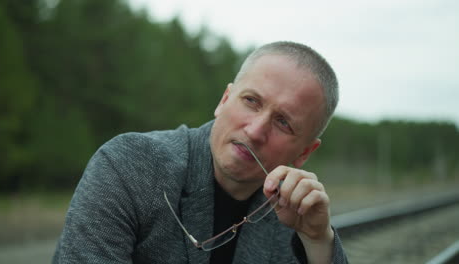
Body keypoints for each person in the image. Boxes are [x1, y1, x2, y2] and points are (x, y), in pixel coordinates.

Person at [53, 41, 348, 264]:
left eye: (283, 122)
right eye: (251, 101)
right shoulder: (130, 165)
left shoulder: (294, 214)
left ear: (304, 153)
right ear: (224, 100)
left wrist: (318, 242)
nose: (256, 130)